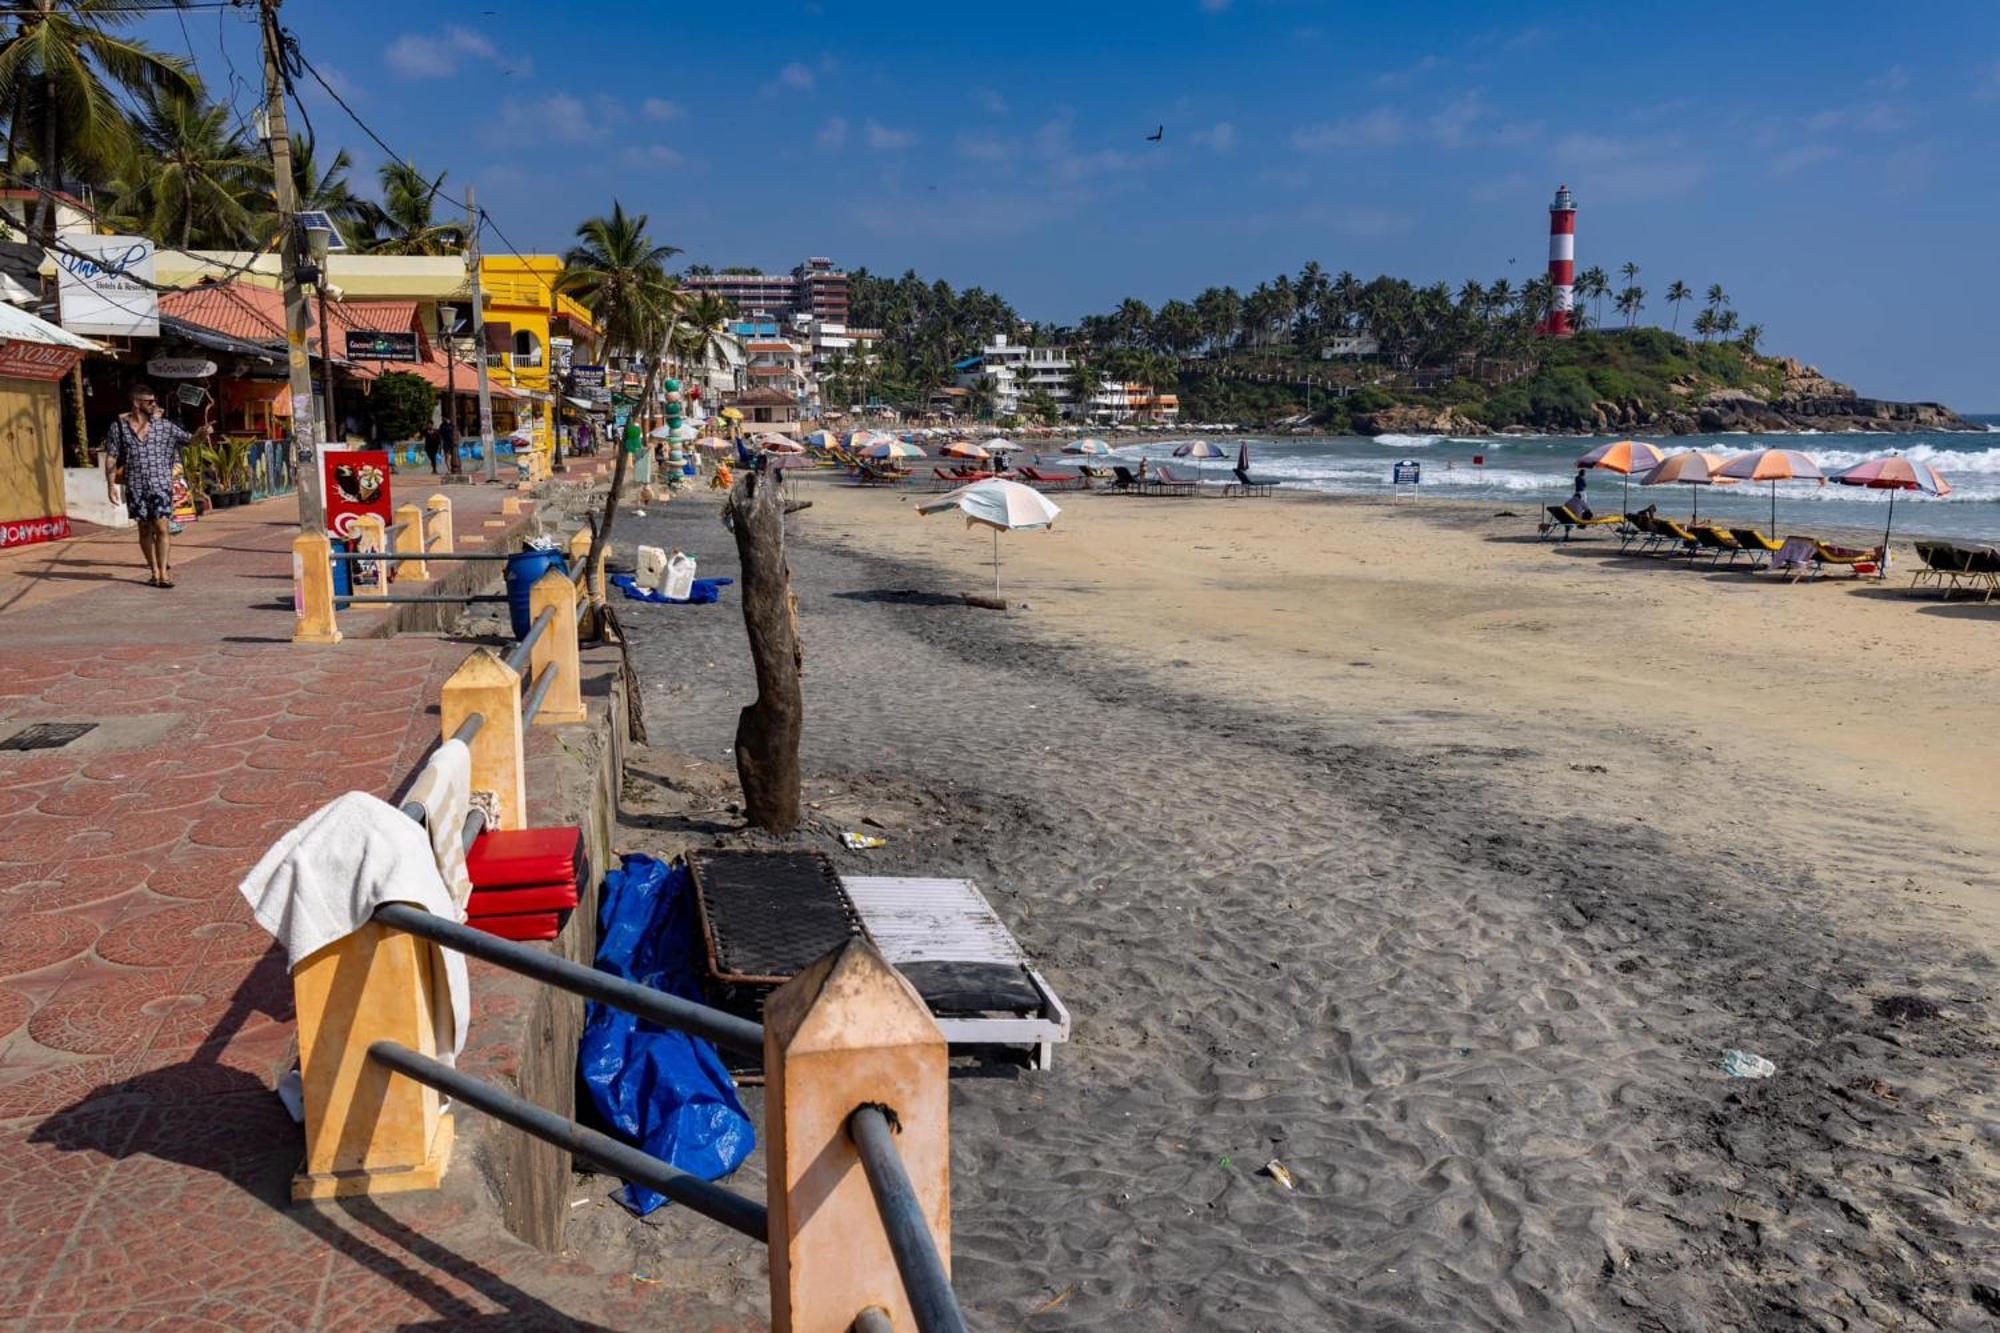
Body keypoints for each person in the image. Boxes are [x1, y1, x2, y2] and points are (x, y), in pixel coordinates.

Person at [105, 383, 209, 588]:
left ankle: (164, 573)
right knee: (144, 529)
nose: (154, 405)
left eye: (155, 401)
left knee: (162, 526)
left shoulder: (165, 427)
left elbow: (191, 441)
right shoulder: (119, 427)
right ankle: (153, 570)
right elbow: (111, 457)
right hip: (136, 486)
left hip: (161, 485)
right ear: (137, 403)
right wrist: (110, 485)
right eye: (150, 402)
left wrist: (201, 435)